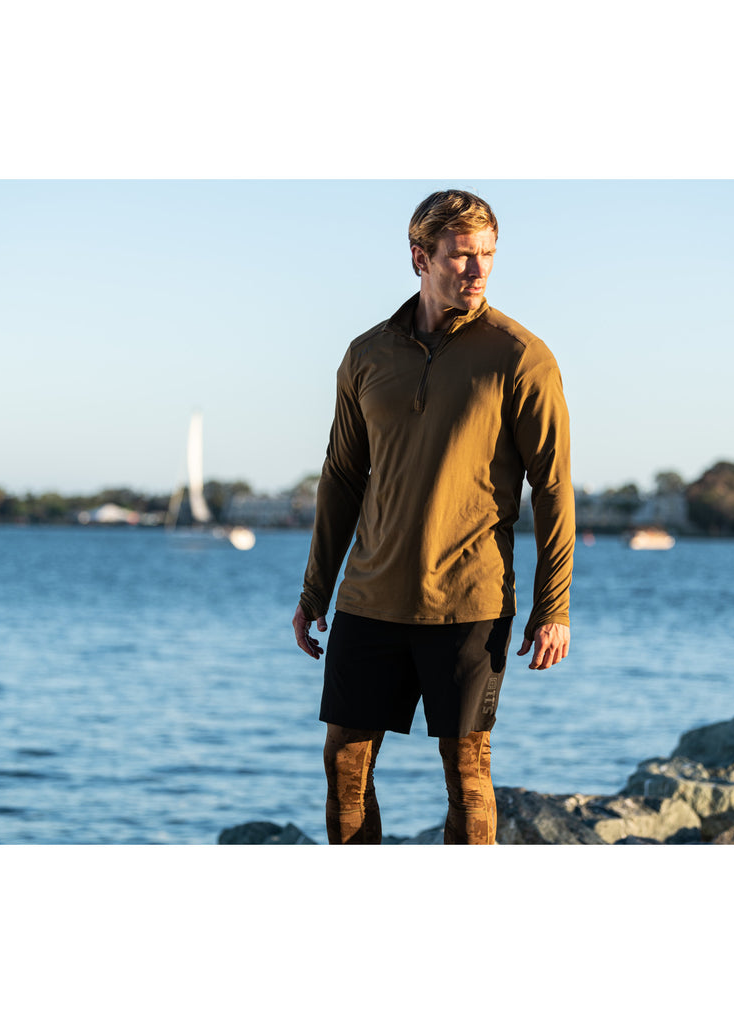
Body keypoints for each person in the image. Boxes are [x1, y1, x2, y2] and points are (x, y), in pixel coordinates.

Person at [291, 189, 574, 845]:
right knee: (344, 769)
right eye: (461, 256)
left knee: (467, 776)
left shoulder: (520, 356)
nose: (478, 270)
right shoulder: (366, 355)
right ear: (420, 258)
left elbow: (553, 487)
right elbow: (341, 478)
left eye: (488, 255)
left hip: (469, 603)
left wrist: (552, 607)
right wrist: (314, 591)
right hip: (370, 598)